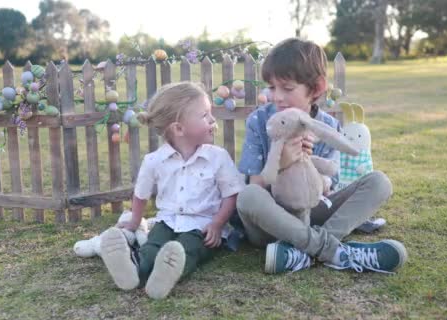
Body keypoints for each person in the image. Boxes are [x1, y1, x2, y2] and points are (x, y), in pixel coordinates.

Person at [236, 38, 407, 274]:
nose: (276, 97)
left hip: (312, 212)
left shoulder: (327, 126)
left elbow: (327, 187)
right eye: (272, 87)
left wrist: (312, 169)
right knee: (247, 196)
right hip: (270, 223)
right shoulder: (260, 121)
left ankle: (298, 253)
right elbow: (255, 183)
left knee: (379, 182)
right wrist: (283, 162)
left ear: (315, 88)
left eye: (287, 88)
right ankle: (334, 252)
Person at [100, 82, 244, 299]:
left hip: (203, 227)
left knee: (188, 248)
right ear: (179, 129)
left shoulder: (217, 157)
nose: (213, 121)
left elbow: (230, 194)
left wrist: (217, 223)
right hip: (168, 221)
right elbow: (141, 194)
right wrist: (133, 222)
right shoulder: (155, 161)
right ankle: (132, 270)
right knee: (153, 245)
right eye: (205, 115)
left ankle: (166, 275)